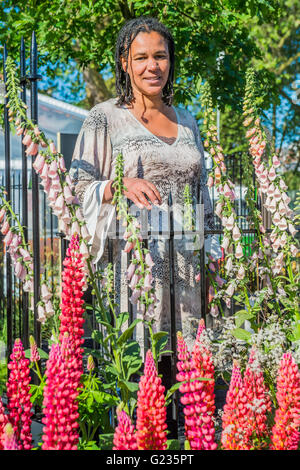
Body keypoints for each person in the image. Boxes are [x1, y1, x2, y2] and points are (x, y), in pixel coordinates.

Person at [69, 16, 221, 361]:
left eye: (161, 56)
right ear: (125, 63)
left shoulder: (188, 120)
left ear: (171, 61)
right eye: (141, 57)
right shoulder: (104, 117)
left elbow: (204, 196)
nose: (152, 66)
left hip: (189, 268)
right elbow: (75, 189)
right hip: (134, 271)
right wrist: (117, 184)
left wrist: (212, 262)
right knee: (142, 370)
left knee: (189, 374)